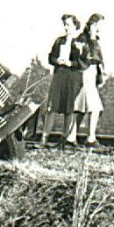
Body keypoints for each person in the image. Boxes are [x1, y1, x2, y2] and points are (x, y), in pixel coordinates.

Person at [40, 14, 84, 147]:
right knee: (52, 106)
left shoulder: (80, 42)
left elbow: (84, 62)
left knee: (69, 108)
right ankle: (44, 138)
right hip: (59, 74)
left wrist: (71, 63)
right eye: (65, 24)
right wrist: (57, 61)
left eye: (68, 25)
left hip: (73, 76)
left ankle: (64, 139)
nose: (66, 27)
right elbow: (50, 57)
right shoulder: (59, 41)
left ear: (75, 26)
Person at [75, 13, 106, 147]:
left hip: (92, 75)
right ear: (93, 25)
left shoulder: (95, 40)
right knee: (93, 107)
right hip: (85, 74)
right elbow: (85, 56)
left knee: (84, 107)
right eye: (99, 25)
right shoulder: (84, 38)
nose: (100, 29)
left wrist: (102, 71)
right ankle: (90, 138)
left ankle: (73, 135)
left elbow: (99, 58)